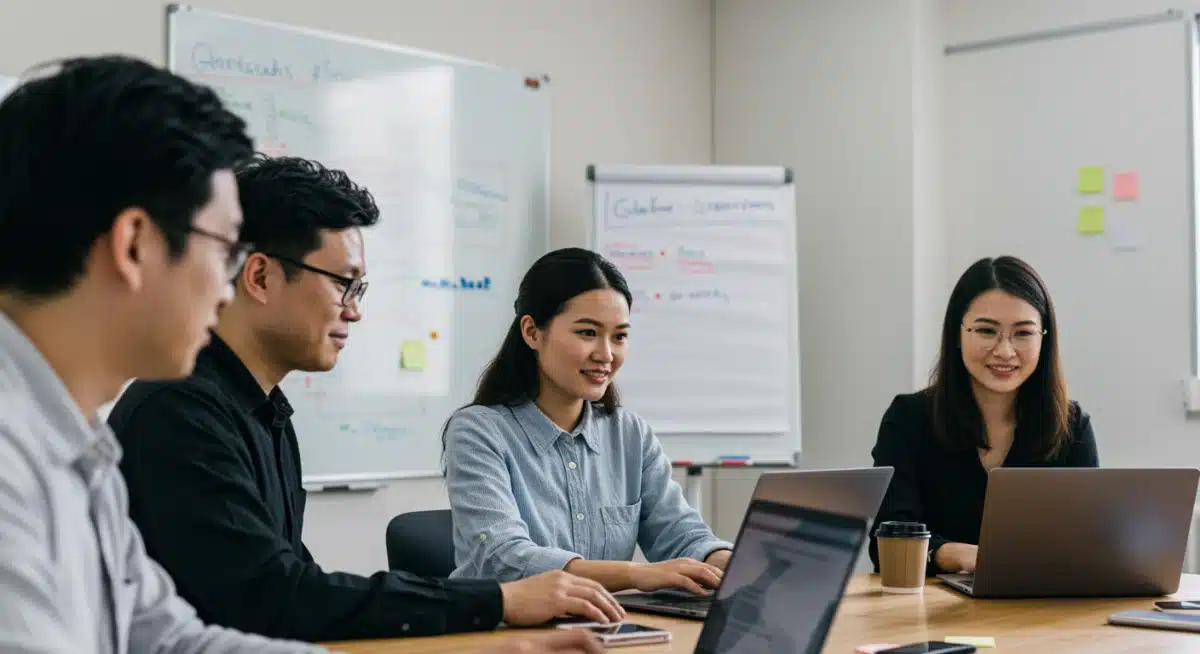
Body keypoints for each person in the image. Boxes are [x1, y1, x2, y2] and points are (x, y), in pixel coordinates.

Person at [106, 156, 623, 645]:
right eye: (344, 286)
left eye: (361, 290)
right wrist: (496, 599)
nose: (354, 312)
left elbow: (298, 585)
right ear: (260, 276)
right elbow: (272, 597)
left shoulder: (264, 412)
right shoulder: (181, 413)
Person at [0, 54, 327, 653]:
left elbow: (169, 639)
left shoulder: (80, 444)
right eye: (224, 248)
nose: (229, 288)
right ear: (135, 245)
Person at [443, 247, 733, 594]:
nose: (606, 355)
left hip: (604, 631)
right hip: (503, 637)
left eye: (619, 336)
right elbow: (504, 556)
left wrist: (736, 564)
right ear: (532, 332)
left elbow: (681, 535)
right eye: (587, 333)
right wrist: (636, 574)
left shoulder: (630, 434)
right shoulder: (478, 432)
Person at [868, 255, 1099, 575]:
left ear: (1044, 339)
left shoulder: (1071, 426)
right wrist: (956, 555)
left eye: (1023, 333)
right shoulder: (908, 419)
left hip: (1040, 609)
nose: (1005, 351)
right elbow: (888, 542)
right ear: (958, 335)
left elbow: (1088, 541)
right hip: (933, 612)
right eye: (987, 331)